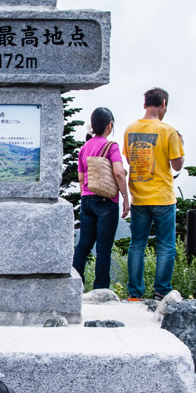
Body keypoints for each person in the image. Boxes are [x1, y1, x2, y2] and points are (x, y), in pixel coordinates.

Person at [123, 87, 185, 301]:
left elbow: (131, 160)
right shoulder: (169, 131)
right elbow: (177, 166)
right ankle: (161, 292)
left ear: (144, 104)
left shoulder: (130, 129)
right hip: (163, 197)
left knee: (137, 244)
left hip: (139, 196)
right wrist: (181, 145)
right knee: (166, 245)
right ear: (164, 104)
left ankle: (134, 294)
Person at [72, 107, 130, 291]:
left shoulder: (84, 148)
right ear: (109, 125)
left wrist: (86, 195)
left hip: (87, 200)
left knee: (83, 246)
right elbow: (119, 173)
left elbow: (81, 178)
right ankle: (100, 290)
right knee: (103, 249)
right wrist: (125, 198)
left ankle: (75, 286)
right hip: (106, 201)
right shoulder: (111, 146)